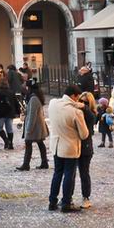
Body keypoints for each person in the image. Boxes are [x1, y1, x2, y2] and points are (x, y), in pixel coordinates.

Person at [46, 85, 89, 213]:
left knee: (57, 173)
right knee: (69, 175)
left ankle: (52, 202)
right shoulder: (76, 112)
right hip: (70, 148)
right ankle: (66, 203)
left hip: (56, 145)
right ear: (74, 96)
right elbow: (84, 134)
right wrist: (81, 107)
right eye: (77, 98)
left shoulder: (53, 104)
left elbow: (65, 104)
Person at [17, 79, 48, 171]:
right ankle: (44, 162)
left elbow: (32, 115)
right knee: (40, 143)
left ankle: (26, 164)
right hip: (37, 125)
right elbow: (31, 111)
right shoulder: (34, 97)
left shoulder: (34, 98)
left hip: (35, 126)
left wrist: (28, 129)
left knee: (29, 143)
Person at [78, 92, 98, 209]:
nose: (82, 104)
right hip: (74, 146)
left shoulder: (91, 114)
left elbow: (91, 119)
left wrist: (84, 108)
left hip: (86, 148)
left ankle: (86, 197)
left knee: (84, 173)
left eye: (85, 102)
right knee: (70, 173)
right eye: (81, 101)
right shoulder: (77, 113)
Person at [0, 73, 17, 150]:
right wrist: (17, 112)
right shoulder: (11, 92)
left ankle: (6, 141)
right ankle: (10, 144)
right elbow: (15, 102)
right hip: (10, 113)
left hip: (0, 113)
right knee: (9, 129)